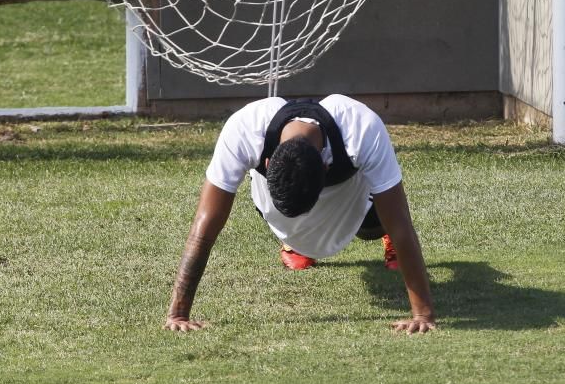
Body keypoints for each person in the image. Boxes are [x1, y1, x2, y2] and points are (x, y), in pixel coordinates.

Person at [163, 94, 437, 335]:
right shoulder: (245, 128)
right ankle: (293, 241)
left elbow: (400, 221)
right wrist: (178, 313)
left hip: (350, 194)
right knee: (281, 214)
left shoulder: (361, 127)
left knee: (376, 225)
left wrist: (422, 314)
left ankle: (378, 233)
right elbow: (206, 223)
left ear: (327, 168)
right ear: (268, 163)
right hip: (288, 190)